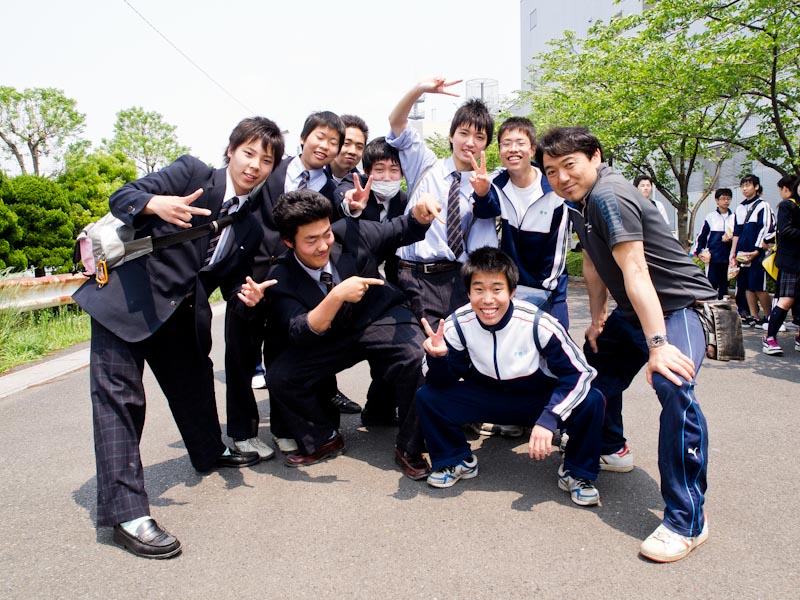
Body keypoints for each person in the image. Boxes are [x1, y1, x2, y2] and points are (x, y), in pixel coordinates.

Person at [72, 117, 284, 559]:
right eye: (248, 153)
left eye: (266, 160)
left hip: (179, 311)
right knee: (121, 402)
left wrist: (246, 295)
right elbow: (122, 197)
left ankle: (209, 452)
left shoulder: (249, 224)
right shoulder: (191, 174)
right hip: (125, 300)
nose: (254, 165)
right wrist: (154, 204)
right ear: (231, 150)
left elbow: (229, 279)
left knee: (194, 382)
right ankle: (127, 514)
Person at [537, 126, 716, 563]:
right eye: (551, 171)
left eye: (569, 165)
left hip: (678, 309)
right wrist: (598, 318)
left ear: (595, 157)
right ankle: (611, 446)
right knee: (592, 368)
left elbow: (635, 269)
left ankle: (687, 521)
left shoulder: (608, 196)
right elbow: (596, 264)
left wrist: (658, 345)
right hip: (633, 312)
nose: (561, 177)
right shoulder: (578, 203)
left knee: (673, 385)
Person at [265, 189, 442, 479]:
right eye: (310, 240)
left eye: (326, 234)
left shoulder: (350, 232)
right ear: (288, 241)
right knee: (281, 377)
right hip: (329, 335)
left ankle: (410, 448)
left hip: (379, 316)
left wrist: (420, 215)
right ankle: (324, 438)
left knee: (416, 356)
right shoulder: (280, 276)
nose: (323, 245)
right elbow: (301, 330)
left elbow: (399, 229)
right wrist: (336, 295)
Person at [415, 247, 604, 506]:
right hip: (487, 397)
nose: (487, 300)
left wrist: (549, 418)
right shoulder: (457, 324)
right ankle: (456, 460)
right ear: (468, 293)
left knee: (592, 400)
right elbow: (441, 382)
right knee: (428, 397)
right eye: (478, 289)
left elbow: (581, 373)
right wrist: (438, 358)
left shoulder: (539, 323)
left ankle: (577, 472)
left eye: (497, 289)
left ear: (512, 291)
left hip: (536, 399)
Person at [223, 111, 359, 459]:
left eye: (334, 142)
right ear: (303, 138)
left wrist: (352, 210)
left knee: (283, 352)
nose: (325, 146)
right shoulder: (269, 168)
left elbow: (329, 233)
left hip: (295, 283)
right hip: (252, 277)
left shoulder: (333, 190)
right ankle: (241, 432)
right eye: (320, 137)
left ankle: (284, 428)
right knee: (240, 355)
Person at [469, 116, 571, 439]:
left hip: (548, 289)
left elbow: (558, 253)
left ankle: (560, 422)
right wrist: (481, 192)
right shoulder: (496, 182)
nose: (512, 150)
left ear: (533, 147)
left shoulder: (554, 189)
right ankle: (517, 417)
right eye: (506, 144)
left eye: (519, 143)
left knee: (554, 356)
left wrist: (541, 292)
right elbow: (484, 210)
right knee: (514, 354)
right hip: (511, 288)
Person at [387, 77, 498, 324]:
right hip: (414, 275)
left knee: (458, 343)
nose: (470, 142)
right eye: (464, 133)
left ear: (486, 144)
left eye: (479, 137)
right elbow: (396, 122)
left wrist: (483, 193)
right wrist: (420, 89)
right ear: (451, 136)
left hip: (458, 278)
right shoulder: (425, 165)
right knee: (422, 344)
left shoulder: (486, 185)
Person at [338, 137, 410, 427]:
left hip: (390, 286)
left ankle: (380, 408)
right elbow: (343, 206)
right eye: (379, 170)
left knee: (392, 350)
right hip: (353, 284)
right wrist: (351, 206)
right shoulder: (353, 191)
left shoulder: (405, 201)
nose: (387, 177)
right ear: (366, 171)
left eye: (394, 170)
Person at [728, 174, 775, 327]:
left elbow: (766, 228)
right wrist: (733, 253)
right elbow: (736, 232)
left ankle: (770, 317)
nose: (744, 188)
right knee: (746, 286)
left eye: (748, 185)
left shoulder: (763, 205)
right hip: (742, 254)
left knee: (759, 287)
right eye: (742, 186)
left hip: (757, 254)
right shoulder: (740, 208)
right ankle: (753, 316)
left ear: (756, 187)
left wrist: (756, 251)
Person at [762, 175, 800, 355]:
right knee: (787, 300)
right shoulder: (788, 206)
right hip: (791, 261)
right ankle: (769, 337)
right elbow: (785, 230)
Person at [693, 188, 735, 299]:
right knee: (711, 284)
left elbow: (737, 236)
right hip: (713, 258)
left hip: (728, 258)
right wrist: (700, 251)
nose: (726, 201)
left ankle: (723, 305)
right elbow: (702, 236)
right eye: (723, 198)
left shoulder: (734, 217)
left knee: (725, 285)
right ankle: (711, 304)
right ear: (717, 201)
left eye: (728, 199)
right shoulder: (710, 217)